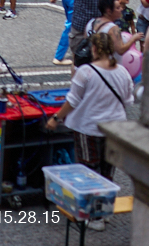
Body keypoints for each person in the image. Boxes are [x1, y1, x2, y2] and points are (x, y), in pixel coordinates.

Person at [45, 32, 133, 233]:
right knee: (107, 171)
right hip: (115, 128)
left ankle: (94, 216)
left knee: (90, 172)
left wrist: (56, 118)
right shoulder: (123, 72)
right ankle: (104, 211)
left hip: (89, 128)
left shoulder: (86, 72)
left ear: (94, 49)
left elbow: (72, 101)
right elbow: (129, 101)